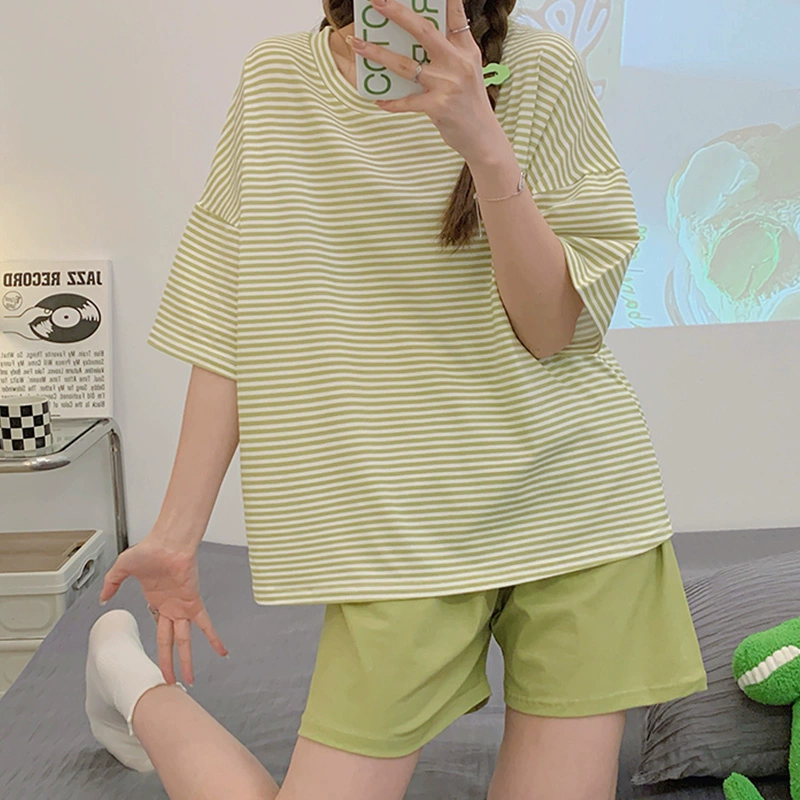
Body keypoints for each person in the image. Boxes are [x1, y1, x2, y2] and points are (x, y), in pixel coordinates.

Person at [84, 1, 708, 798]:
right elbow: (232, 314)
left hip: (572, 510)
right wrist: (176, 537)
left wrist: (485, 145)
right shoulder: (277, 81)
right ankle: (130, 680)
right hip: (393, 530)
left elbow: (552, 329)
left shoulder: (541, 69)